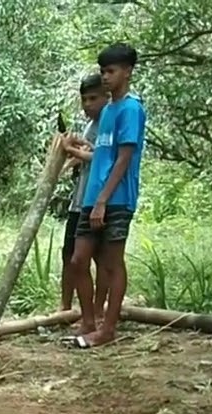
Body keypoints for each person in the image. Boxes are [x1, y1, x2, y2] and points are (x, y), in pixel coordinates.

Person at [63, 44, 147, 349]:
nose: (106, 77)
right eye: (103, 71)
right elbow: (102, 153)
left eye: (111, 71)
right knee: (78, 259)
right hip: (92, 196)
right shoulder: (108, 111)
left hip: (117, 198)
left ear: (127, 71)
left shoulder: (131, 109)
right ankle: (88, 321)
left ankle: (108, 328)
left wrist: (102, 200)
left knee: (112, 263)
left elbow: (123, 159)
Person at [60, 74, 111, 319]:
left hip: (98, 200)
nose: (87, 104)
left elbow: (103, 158)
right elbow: (88, 152)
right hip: (80, 199)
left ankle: (97, 309)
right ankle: (67, 308)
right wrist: (72, 154)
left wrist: (71, 150)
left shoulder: (108, 123)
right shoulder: (91, 126)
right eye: (84, 99)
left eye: (93, 98)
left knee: (99, 257)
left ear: (106, 97)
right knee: (69, 255)